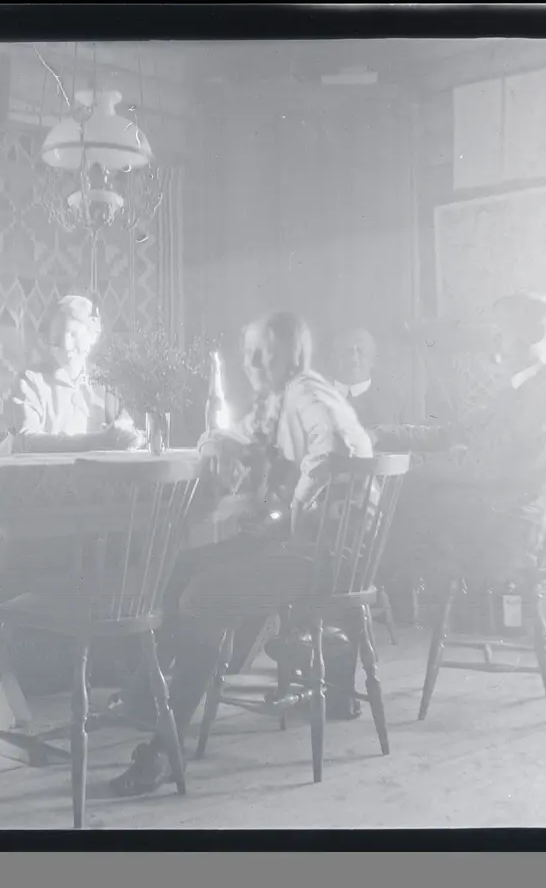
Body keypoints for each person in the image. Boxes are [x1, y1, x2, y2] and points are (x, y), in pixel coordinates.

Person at [108, 311, 375, 797]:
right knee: (184, 566)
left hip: (328, 553)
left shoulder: (308, 393)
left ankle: (166, 747)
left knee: (205, 595)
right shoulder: (280, 400)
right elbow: (238, 435)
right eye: (248, 353)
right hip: (307, 542)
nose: (251, 363)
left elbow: (338, 448)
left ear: (293, 355)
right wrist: (217, 443)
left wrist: (296, 503)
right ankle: (146, 698)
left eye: (263, 353)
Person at [372, 293, 546, 586]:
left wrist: (409, 466)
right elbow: (452, 433)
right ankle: (381, 592)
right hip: (491, 513)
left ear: (535, 334)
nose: (495, 344)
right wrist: (382, 434)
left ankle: (375, 593)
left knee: (399, 502)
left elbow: (489, 466)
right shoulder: (517, 389)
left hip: (512, 528)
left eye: (501, 333)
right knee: (397, 500)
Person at [5, 294, 144, 453]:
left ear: (93, 337)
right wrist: (95, 441)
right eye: (56, 337)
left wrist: (130, 436)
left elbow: (131, 431)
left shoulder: (108, 384)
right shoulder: (30, 380)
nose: (66, 345)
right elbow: (27, 440)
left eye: (73, 334)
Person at [330, 327, 404, 429]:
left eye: (360, 352)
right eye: (346, 352)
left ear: (373, 361)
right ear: (333, 357)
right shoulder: (317, 396)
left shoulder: (391, 403)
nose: (353, 359)